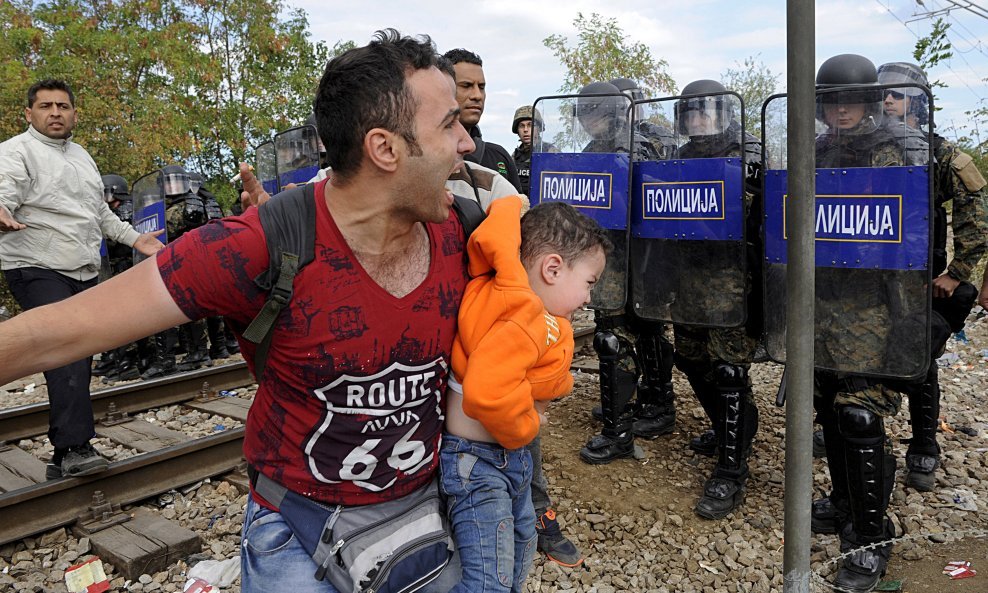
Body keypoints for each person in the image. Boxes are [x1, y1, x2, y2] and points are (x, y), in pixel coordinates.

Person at [0, 30, 476, 592]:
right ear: (385, 148)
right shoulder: (256, 247)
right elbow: (52, 335)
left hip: (428, 517)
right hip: (297, 530)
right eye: (449, 125)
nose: (467, 143)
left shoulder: (465, 234)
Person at [0, 79, 164, 480]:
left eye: (62, 106)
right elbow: (4, 189)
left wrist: (135, 238)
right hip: (36, 263)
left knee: (80, 351)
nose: (55, 112)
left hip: (81, 267)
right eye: (45, 106)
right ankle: (74, 448)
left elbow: (100, 215)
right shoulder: (15, 152)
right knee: (66, 348)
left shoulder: (82, 157)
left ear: (74, 113)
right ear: (29, 114)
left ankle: (61, 454)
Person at [443, 197, 608, 592]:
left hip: (502, 460)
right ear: (552, 268)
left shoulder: (527, 304)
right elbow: (485, 394)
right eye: (588, 283)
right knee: (490, 577)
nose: (588, 298)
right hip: (479, 463)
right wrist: (529, 423)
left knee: (520, 542)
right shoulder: (520, 317)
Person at [809, 54, 922, 593]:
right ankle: (844, 500)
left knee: (859, 415)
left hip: (876, 307)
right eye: (832, 100)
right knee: (827, 407)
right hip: (822, 303)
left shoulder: (898, 149)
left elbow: (912, 234)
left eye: (850, 100)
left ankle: (873, 537)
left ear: (872, 101)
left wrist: (919, 313)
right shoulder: (817, 150)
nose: (841, 109)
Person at [875, 62, 986, 491]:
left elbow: (976, 221)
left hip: (917, 277)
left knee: (918, 358)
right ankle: (854, 426)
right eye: (883, 93)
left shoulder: (939, 153)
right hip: (864, 277)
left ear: (917, 101)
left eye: (898, 94)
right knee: (858, 351)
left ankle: (923, 443)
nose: (888, 100)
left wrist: (957, 274)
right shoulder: (858, 147)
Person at [667, 79, 765, 520]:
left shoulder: (749, 153)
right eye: (690, 113)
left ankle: (731, 468)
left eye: (705, 111)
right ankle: (736, 428)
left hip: (733, 281)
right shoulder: (681, 157)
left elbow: (759, 211)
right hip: (688, 279)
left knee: (728, 369)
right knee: (690, 358)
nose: (698, 120)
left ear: (724, 113)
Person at [573, 81, 675, 468]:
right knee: (621, 335)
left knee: (623, 337)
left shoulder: (637, 142)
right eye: (585, 113)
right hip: (611, 261)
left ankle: (626, 426)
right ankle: (641, 408)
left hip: (640, 259)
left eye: (597, 111)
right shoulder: (592, 149)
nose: (590, 120)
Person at [443, 48, 523, 191]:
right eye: (466, 86)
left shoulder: (499, 157)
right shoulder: (423, 154)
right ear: (443, 88)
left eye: (481, 87)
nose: (477, 95)